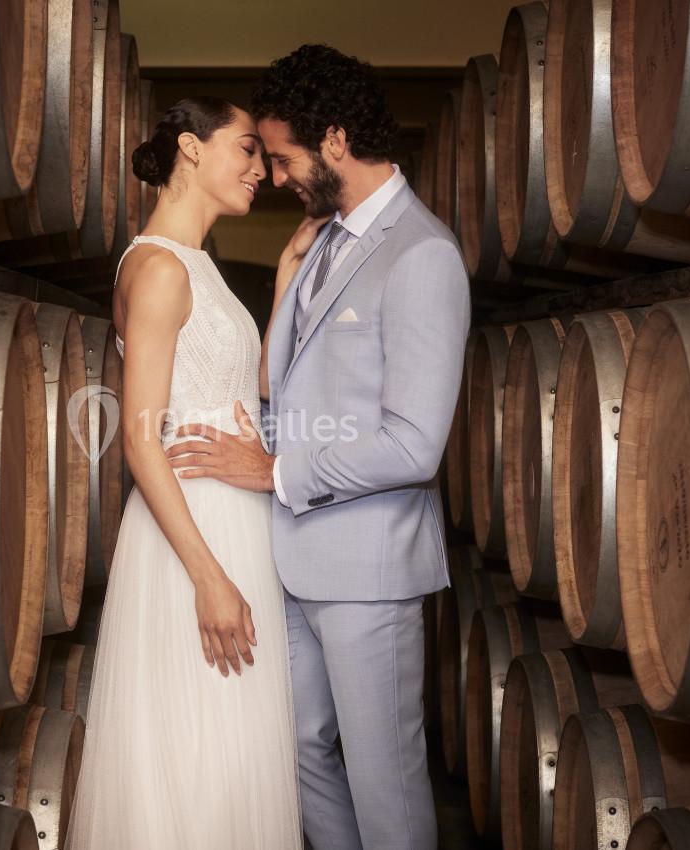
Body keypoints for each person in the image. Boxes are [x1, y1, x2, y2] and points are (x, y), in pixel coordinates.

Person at [166, 45, 470, 850]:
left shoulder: (422, 253)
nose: (275, 176)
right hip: (290, 560)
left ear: (335, 140)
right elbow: (285, 385)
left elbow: (415, 445)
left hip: (368, 570)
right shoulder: (319, 240)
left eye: (284, 157)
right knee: (297, 753)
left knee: (385, 781)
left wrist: (275, 470)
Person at [65, 96, 307, 850]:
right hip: (193, 535)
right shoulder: (160, 269)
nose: (261, 171)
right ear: (192, 149)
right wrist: (208, 578)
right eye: (247, 149)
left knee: (233, 757)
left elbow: (247, 389)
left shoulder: (195, 263)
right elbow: (141, 442)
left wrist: (286, 282)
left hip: (231, 521)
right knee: (199, 756)